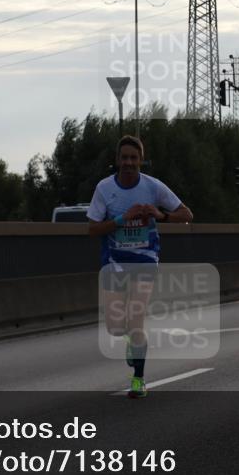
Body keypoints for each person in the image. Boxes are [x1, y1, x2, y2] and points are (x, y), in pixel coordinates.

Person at [86, 135, 193, 398]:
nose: (129, 163)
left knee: (135, 319)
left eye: (134, 158)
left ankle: (139, 379)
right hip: (114, 262)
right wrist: (123, 219)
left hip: (145, 260)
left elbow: (187, 215)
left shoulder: (153, 187)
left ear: (141, 161)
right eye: (124, 158)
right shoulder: (104, 189)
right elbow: (92, 229)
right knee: (115, 326)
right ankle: (130, 342)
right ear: (117, 160)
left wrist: (161, 215)